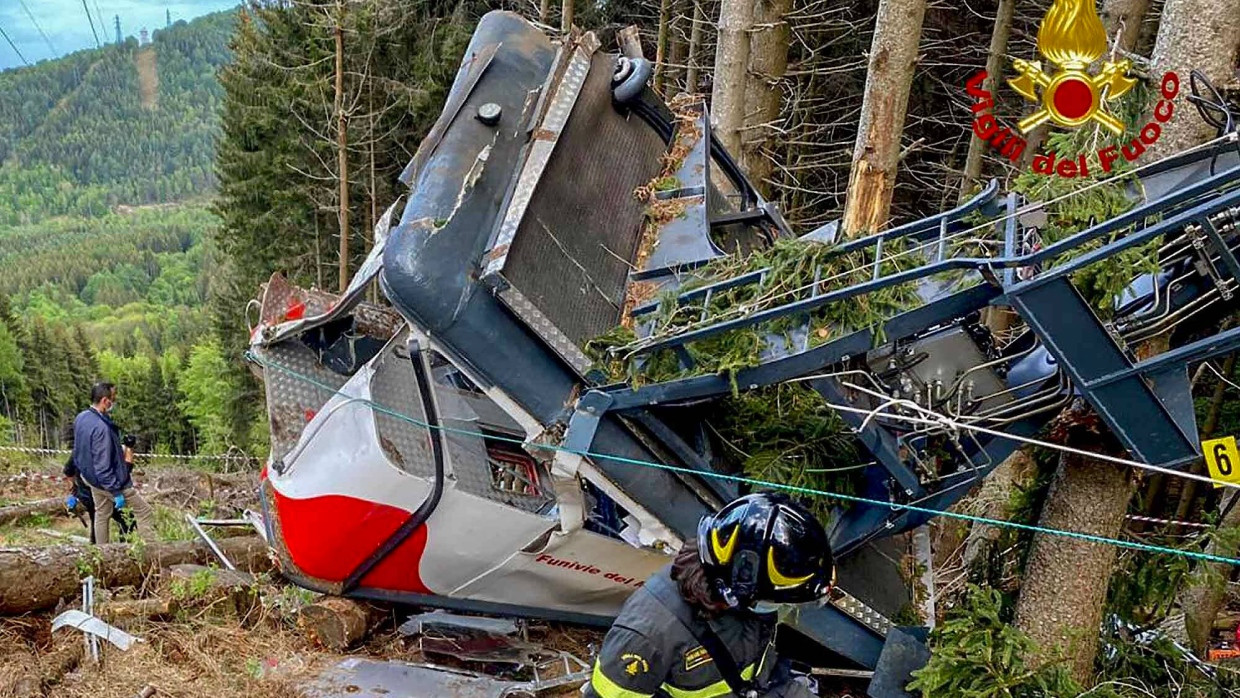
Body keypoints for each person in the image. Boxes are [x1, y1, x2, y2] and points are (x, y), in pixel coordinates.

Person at [583, 493, 834, 698]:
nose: (780, 610)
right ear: (736, 592)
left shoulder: (743, 596)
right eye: (777, 602)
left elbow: (762, 674)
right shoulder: (648, 636)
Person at [72, 382, 154, 543]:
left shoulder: (82, 417)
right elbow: (103, 466)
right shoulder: (101, 428)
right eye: (113, 399)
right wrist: (117, 492)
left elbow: (80, 450)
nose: (113, 402)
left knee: (102, 514)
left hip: (91, 479)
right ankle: (152, 552)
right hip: (107, 482)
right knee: (144, 511)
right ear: (104, 401)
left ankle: (103, 554)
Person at [61, 422, 134, 544]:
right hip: (103, 492)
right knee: (127, 519)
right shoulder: (106, 451)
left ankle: (97, 549)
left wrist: (73, 490)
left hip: (87, 494)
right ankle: (124, 549)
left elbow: (68, 471)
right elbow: (126, 469)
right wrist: (129, 447)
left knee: (97, 519)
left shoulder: (79, 450)